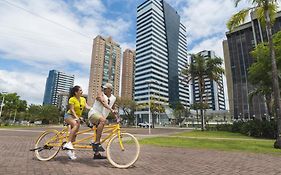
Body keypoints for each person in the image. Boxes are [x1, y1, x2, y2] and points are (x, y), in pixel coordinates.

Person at [88, 82, 118, 159]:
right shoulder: (100, 94)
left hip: (101, 118)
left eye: (105, 88)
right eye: (103, 88)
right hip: (93, 114)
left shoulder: (113, 98)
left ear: (110, 89)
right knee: (103, 121)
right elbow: (103, 103)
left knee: (98, 132)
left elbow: (113, 108)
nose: (103, 89)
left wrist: (117, 117)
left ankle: (96, 154)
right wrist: (111, 109)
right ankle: (97, 143)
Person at [63, 85, 91, 160]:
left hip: (76, 118)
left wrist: (94, 109)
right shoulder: (72, 99)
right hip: (69, 116)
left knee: (74, 135)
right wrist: (77, 117)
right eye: (80, 90)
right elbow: (71, 109)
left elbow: (87, 107)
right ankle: (68, 143)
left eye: (82, 90)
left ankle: (70, 152)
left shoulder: (83, 99)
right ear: (76, 92)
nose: (82, 92)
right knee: (75, 125)